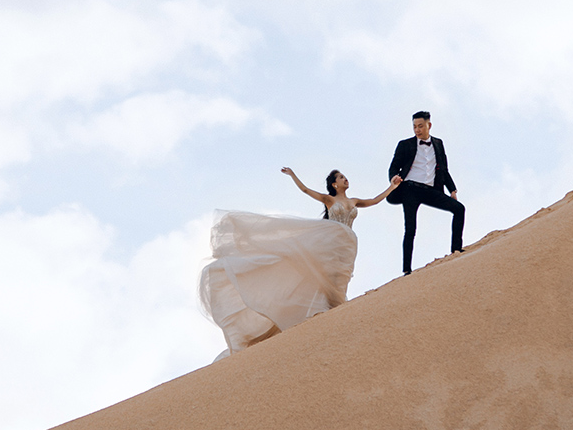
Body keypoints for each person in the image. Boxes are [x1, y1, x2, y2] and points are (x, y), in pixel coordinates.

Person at [199, 168, 401, 358]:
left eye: (344, 176)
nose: (345, 179)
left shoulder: (354, 200)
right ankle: (328, 310)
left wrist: (392, 186)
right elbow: (305, 190)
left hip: (348, 243)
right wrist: (292, 174)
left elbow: (374, 201)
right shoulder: (329, 199)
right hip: (332, 240)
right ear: (333, 184)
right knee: (324, 273)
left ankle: (335, 306)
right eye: (340, 177)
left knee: (342, 275)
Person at [386, 111, 465, 274]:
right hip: (410, 189)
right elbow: (394, 167)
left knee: (459, 209)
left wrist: (452, 189)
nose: (417, 130)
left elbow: (444, 169)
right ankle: (407, 270)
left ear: (429, 125)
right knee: (410, 228)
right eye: (414, 127)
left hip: (430, 190)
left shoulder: (438, 143)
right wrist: (394, 177)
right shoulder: (405, 144)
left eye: (420, 126)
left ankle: (456, 251)